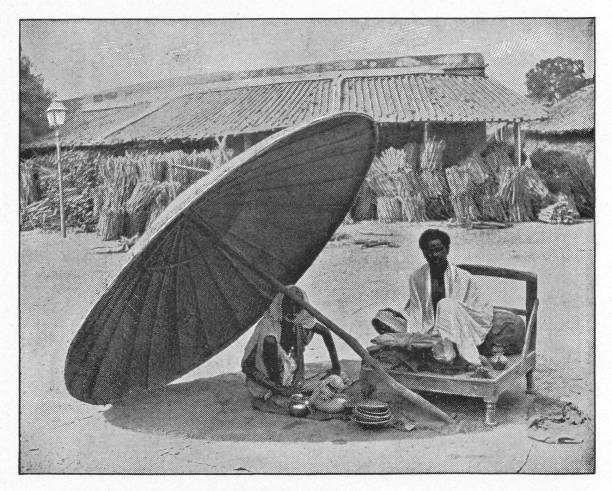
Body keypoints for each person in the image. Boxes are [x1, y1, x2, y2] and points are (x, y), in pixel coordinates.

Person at [403, 229, 493, 366]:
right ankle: (445, 353)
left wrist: (452, 311)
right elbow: (416, 311)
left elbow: (481, 310)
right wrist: (413, 337)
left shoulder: (464, 278)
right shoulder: (416, 278)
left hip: (463, 326)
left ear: (447, 249)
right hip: (432, 330)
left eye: (439, 250)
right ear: (423, 252)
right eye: (429, 251)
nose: (434, 255)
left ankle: (467, 357)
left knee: (446, 304)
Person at [241, 286, 342, 407]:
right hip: (265, 378)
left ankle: (285, 387)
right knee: (270, 341)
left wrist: (336, 367)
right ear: (281, 305)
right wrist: (275, 387)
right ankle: (279, 389)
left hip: (288, 374)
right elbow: (247, 366)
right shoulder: (268, 325)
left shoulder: (300, 321)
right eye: (289, 305)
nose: (293, 311)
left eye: (297, 306)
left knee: (329, 382)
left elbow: (325, 332)